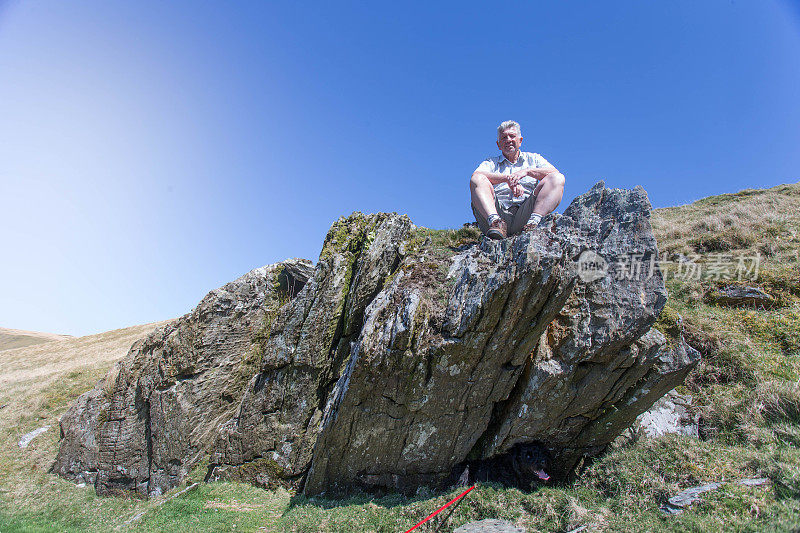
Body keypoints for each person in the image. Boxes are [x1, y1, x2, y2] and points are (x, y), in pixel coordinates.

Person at [470, 120, 565, 239]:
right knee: (477, 179)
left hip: (525, 213)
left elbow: (554, 173)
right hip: (497, 213)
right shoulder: (491, 162)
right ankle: (496, 223)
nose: (508, 140)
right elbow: (476, 175)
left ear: (520, 141)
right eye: (504, 137)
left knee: (557, 178)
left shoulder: (534, 159)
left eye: (512, 136)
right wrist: (507, 179)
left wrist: (527, 172)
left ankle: (533, 224)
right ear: (498, 144)